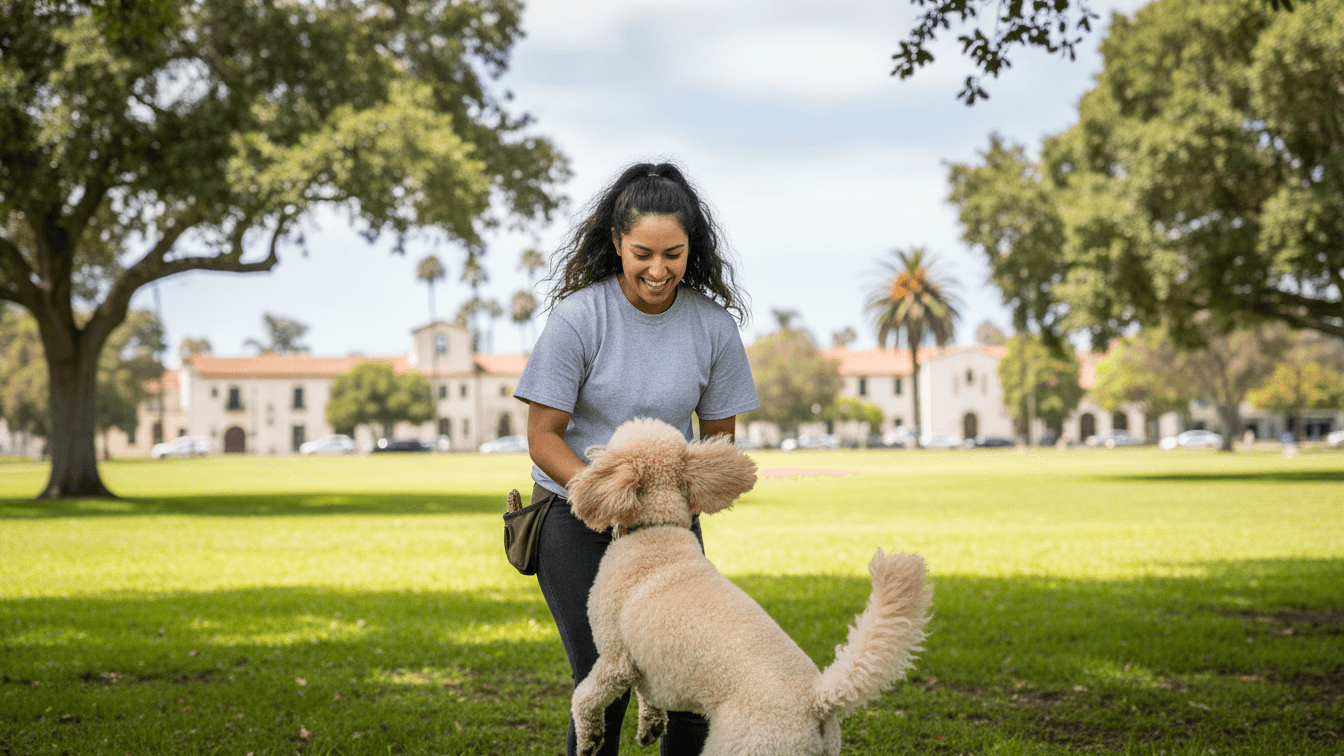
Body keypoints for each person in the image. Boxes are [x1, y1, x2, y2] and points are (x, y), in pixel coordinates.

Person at [513, 162, 758, 756]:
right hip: (574, 515)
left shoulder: (713, 328)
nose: (658, 269)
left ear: (692, 247)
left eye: (673, 254)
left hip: (667, 524)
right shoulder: (579, 318)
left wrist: (667, 506)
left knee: (690, 685)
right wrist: (608, 497)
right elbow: (543, 436)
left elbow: (717, 446)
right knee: (607, 681)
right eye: (642, 253)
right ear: (617, 243)